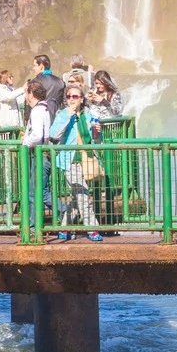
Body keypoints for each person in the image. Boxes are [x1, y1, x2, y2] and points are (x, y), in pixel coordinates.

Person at [49, 81, 103, 240]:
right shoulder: (62, 114)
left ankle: (64, 228)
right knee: (83, 195)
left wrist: (97, 134)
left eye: (75, 96)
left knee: (76, 196)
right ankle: (92, 229)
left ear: (81, 99)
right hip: (70, 161)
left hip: (85, 160)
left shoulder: (88, 115)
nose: (71, 99)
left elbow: (96, 142)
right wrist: (67, 116)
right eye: (68, 96)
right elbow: (54, 135)